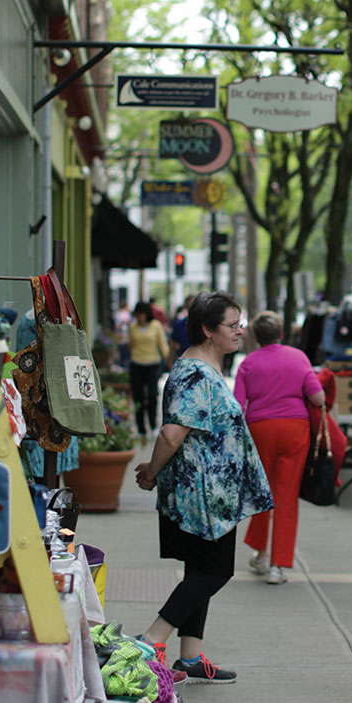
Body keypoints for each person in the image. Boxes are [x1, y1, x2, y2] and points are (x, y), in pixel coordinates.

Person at [135, 291, 273, 683]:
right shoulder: (195, 373)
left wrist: (154, 468)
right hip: (203, 493)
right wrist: (152, 472)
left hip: (212, 491)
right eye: (232, 325)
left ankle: (190, 657)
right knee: (214, 571)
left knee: (198, 569)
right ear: (207, 331)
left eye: (240, 323)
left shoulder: (202, 369)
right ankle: (151, 641)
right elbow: (172, 432)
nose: (241, 331)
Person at [235, 310, 326, 584]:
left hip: (260, 430)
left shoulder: (247, 363)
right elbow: (318, 397)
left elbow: (238, 406)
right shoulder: (298, 358)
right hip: (294, 430)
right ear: (282, 334)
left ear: (255, 337)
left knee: (263, 492)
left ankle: (260, 553)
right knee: (286, 497)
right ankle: (278, 566)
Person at [127, 301, 169, 441]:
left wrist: (167, 359)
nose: (140, 317)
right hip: (137, 364)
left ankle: (153, 426)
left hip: (153, 364)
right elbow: (130, 345)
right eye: (137, 314)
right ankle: (141, 429)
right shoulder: (133, 327)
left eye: (142, 314)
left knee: (152, 395)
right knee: (138, 397)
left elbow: (162, 344)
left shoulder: (156, 325)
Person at [169, 295, 194, 365]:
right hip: (183, 361)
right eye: (189, 305)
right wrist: (170, 363)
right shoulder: (179, 325)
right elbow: (172, 346)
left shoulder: (205, 326)